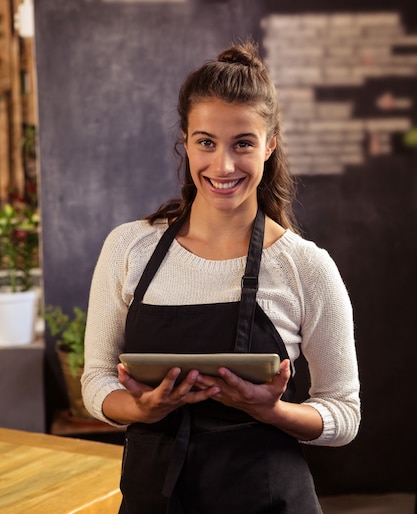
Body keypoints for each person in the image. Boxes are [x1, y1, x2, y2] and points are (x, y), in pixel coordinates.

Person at [81, 40, 360, 514]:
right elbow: (98, 379)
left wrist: (271, 411)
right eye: (206, 142)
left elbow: (344, 413)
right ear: (185, 142)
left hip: (267, 499)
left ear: (270, 145)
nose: (223, 165)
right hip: (155, 499)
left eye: (243, 144)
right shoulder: (129, 248)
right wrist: (141, 410)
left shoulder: (306, 267)